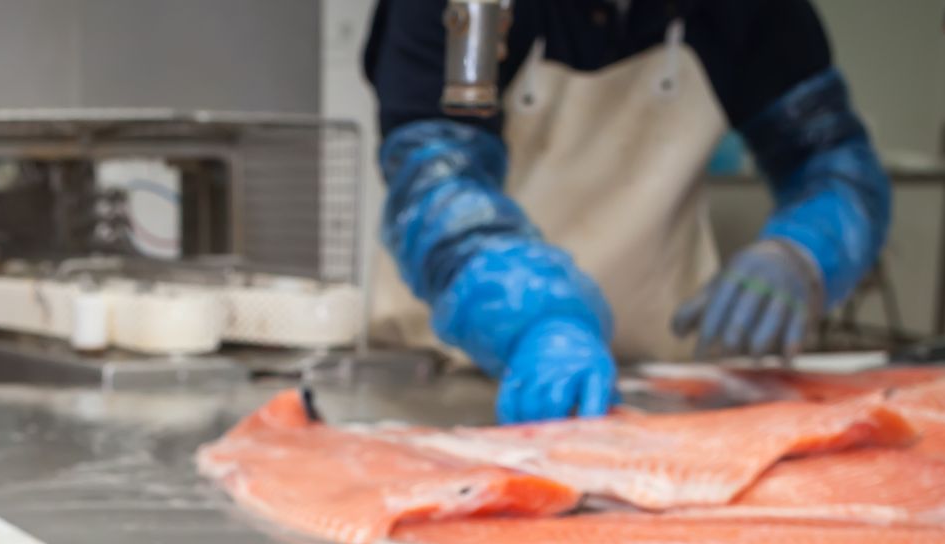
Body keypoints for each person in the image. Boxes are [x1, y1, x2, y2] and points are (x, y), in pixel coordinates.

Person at [364, 0, 892, 422]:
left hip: (652, 383)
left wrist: (803, 250)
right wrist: (534, 321)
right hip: (441, 377)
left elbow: (830, 158)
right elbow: (435, 185)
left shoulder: (744, 10)